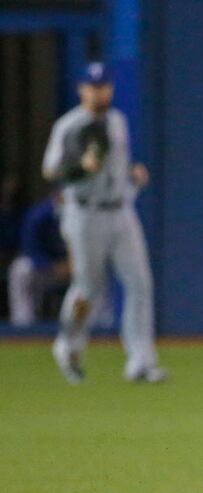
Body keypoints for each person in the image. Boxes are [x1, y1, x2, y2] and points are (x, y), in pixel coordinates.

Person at [42, 62, 165, 383]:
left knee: (140, 283)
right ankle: (68, 345)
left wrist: (132, 174)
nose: (100, 92)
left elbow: (116, 165)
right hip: (84, 213)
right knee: (88, 288)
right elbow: (51, 171)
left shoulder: (117, 121)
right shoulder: (68, 125)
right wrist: (81, 168)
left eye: (105, 86)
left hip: (122, 210)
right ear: (82, 89)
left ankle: (141, 361)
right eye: (94, 86)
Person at [7, 192, 69, 326]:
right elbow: (30, 248)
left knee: (98, 271)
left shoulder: (84, 214)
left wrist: (72, 264)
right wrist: (51, 267)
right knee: (20, 270)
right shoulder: (40, 215)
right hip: (45, 270)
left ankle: (99, 327)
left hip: (74, 269)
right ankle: (23, 326)